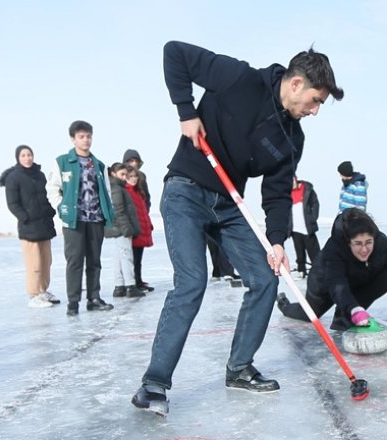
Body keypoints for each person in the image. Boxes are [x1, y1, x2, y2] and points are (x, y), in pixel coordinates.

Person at [132, 40, 343, 415]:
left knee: (265, 278)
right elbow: (174, 52)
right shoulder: (240, 79)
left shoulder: (293, 137)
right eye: (315, 101)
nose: (314, 111)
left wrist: (277, 241)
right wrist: (186, 111)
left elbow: (277, 193)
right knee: (192, 282)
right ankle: (153, 384)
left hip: (229, 208)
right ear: (296, 84)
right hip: (186, 191)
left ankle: (240, 367)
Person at [277, 208, 387, 333]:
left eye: (369, 242)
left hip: (356, 280)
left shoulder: (381, 242)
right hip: (325, 285)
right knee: (309, 315)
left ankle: (343, 318)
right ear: (348, 242)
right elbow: (337, 284)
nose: (364, 249)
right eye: (358, 243)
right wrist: (353, 308)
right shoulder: (334, 249)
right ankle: (284, 304)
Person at [47, 120, 116, 316]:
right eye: (81, 137)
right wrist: (61, 207)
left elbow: (107, 191)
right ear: (73, 139)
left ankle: (94, 298)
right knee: (75, 261)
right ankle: (73, 302)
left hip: (95, 218)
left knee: (94, 260)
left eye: (88, 136)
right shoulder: (62, 162)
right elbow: (52, 188)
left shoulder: (99, 165)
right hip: (74, 221)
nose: (86, 140)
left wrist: (107, 211)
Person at [0, 145, 59, 308]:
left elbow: (47, 196)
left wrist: (50, 211)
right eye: (23, 155)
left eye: (29, 155)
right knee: (34, 263)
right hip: (29, 226)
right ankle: (34, 295)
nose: (27, 158)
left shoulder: (39, 175)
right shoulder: (13, 177)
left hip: (44, 224)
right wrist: (25, 217)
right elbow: (13, 203)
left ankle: (43, 291)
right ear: (18, 158)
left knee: (47, 261)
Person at [105, 163, 144, 298]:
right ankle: (130, 286)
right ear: (113, 174)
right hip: (121, 229)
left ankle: (119, 286)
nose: (125, 177)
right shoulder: (116, 189)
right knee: (126, 257)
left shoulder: (117, 188)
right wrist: (127, 229)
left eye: (126, 175)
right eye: (122, 174)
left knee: (119, 257)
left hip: (118, 228)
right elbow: (119, 210)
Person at [123, 149, 154, 292]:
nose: (134, 163)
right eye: (130, 161)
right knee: (129, 256)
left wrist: (145, 213)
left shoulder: (142, 177)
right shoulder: (123, 180)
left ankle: (138, 280)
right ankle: (131, 282)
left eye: (136, 161)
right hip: (131, 223)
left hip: (141, 218)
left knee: (138, 254)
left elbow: (146, 197)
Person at [290, 176, 320, 278]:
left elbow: (315, 203)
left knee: (314, 251)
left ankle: (319, 270)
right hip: (294, 228)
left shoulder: (307, 188)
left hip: (307, 226)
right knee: (299, 251)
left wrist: (313, 218)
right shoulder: (286, 192)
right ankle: (301, 271)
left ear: (295, 179)